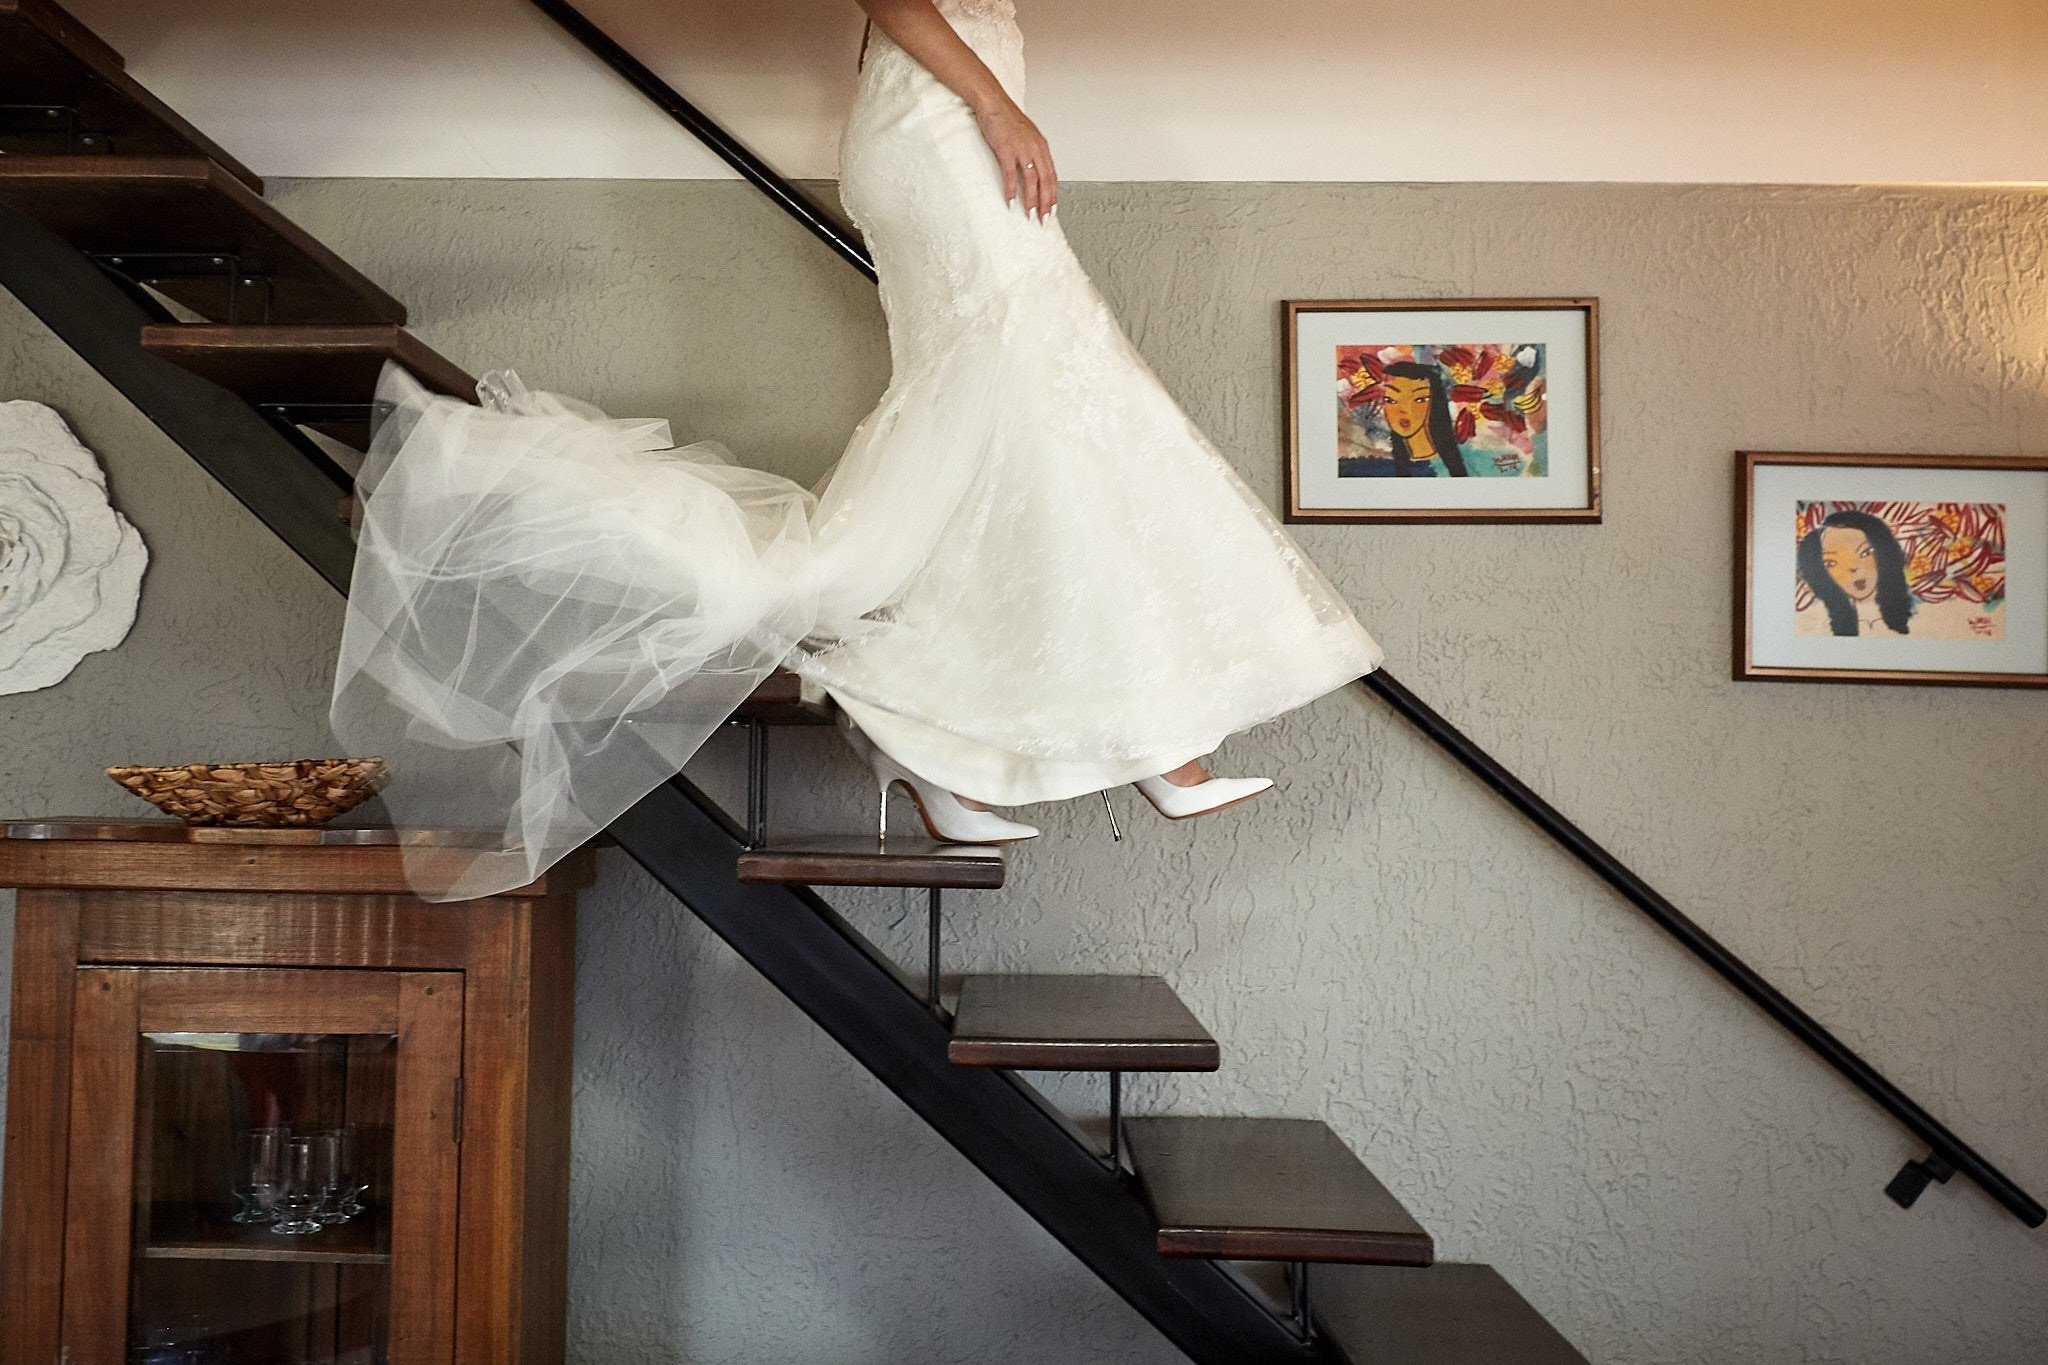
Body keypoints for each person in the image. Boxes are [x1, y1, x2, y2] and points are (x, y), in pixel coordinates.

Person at [331, 0, 1384, 901]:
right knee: (1056, 378)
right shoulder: (969, 103)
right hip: (944, 125)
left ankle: (957, 756)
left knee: (1015, 406)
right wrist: (994, 105)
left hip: (930, 119)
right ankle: (1144, 741)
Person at [1795, 509, 1914, 636]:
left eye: (1865, 553)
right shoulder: (1816, 627)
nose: (1853, 567)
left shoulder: (1919, 617)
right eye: (1831, 563)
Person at [1376, 361, 1470, 477]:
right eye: (1391, 400)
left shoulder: (1470, 461)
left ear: (1435, 404)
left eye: (1419, 400)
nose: (1404, 410)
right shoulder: (1377, 465)